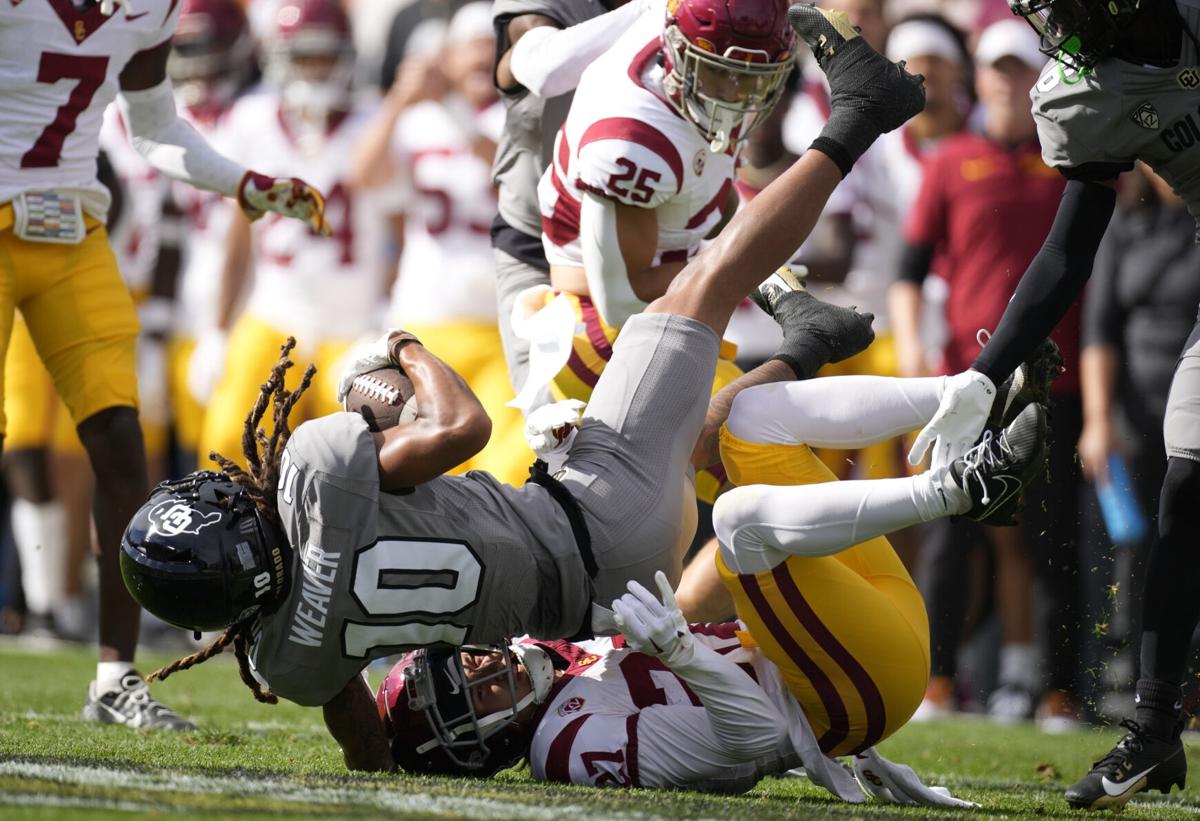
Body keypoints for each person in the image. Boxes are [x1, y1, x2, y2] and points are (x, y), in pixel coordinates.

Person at [118, 2, 927, 766]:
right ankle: (857, 115)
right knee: (700, 288)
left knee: (697, 423)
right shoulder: (313, 476)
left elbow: (362, 742)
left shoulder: (284, 656)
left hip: (593, 611)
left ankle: (799, 349)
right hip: (587, 501)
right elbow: (461, 426)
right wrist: (401, 347)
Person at [0, 0, 327, 730]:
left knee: (119, 441)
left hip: (69, 230)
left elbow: (153, 129)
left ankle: (115, 678)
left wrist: (242, 183)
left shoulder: (150, 9)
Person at [907, 0, 1200, 807]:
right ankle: (1153, 730)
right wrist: (983, 373)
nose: (1055, 18)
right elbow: (1066, 254)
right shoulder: (1081, 90)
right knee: (1187, 488)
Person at [376, 574, 974, 810]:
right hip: (834, 685)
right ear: (487, 744)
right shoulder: (566, 746)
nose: (484, 667)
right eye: (473, 696)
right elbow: (757, 735)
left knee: (735, 455)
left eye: (466, 662)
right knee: (747, 505)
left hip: (814, 658)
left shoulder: (554, 657)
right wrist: (680, 651)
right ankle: (951, 486)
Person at [892, 18, 1081, 728]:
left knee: (1045, 537)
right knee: (950, 527)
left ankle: (1049, 688)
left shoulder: (1074, 163)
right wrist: (912, 345)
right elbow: (910, 271)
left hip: (1052, 380)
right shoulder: (950, 160)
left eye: (1021, 70)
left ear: (1041, 82)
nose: (1008, 82)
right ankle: (937, 681)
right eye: (998, 70)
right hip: (964, 378)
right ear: (981, 77)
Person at [194, 0, 395, 471]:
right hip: (273, 315)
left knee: (347, 465)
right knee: (227, 441)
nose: (315, 69)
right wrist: (217, 331)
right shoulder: (253, 120)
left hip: (352, 324)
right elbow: (238, 239)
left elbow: (400, 234)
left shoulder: (374, 122)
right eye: (304, 56)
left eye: (324, 56)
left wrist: (387, 311)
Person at [490, 0, 644, 405]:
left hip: (643, 247)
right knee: (554, 426)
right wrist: (664, 11)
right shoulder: (544, 13)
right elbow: (547, 67)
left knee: (662, 423)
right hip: (537, 249)